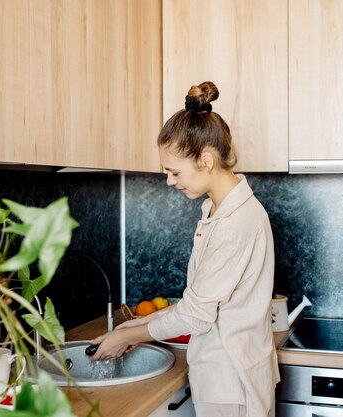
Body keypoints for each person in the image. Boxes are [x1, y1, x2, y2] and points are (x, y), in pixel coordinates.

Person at [90, 81, 279, 417]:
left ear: (205, 160)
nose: (169, 181)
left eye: (174, 171)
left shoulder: (235, 223)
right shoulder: (218, 210)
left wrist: (131, 336)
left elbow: (196, 315)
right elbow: (201, 303)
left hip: (230, 382)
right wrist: (132, 329)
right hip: (227, 377)